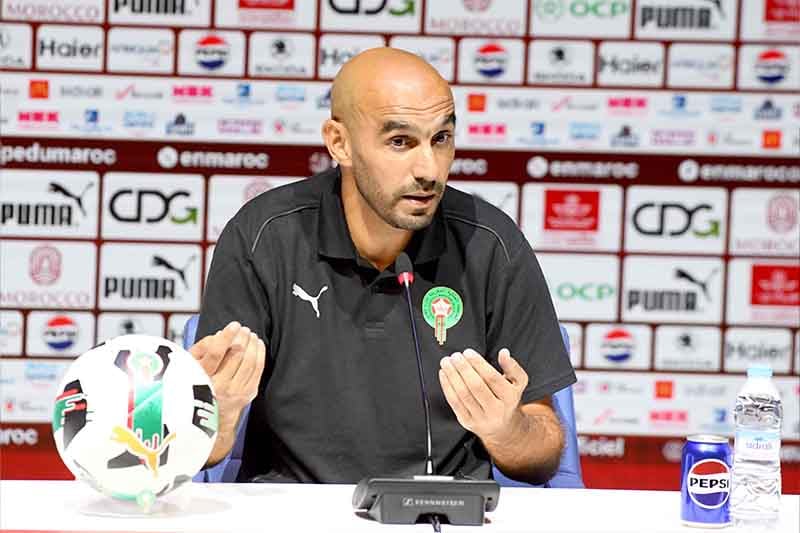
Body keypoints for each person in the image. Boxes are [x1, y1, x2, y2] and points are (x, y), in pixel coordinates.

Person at [190, 48, 576, 484]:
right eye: (400, 142)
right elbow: (202, 451)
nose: (429, 169)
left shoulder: (490, 244)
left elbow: (543, 454)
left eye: (441, 139)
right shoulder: (263, 238)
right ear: (340, 143)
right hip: (295, 509)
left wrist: (505, 430)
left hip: (445, 509)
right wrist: (220, 415)